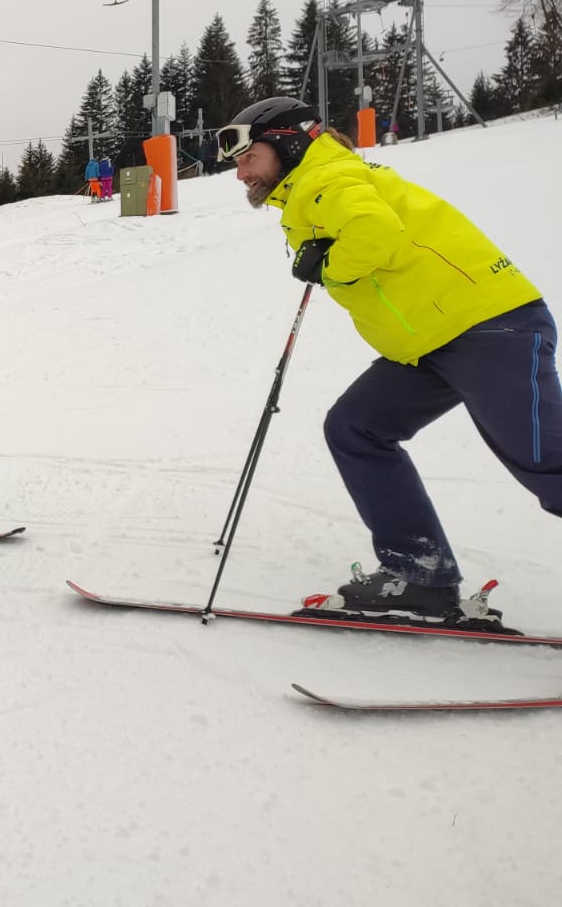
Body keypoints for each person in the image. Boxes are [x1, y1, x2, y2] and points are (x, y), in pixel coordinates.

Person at [222, 96, 562, 620]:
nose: (240, 172)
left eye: (247, 156)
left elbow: (377, 235)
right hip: (431, 342)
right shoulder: (316, 185)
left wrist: (328, 264)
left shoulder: (325, 180)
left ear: (287, 144)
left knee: (547, 462)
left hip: (489, 326)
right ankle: (420, 574)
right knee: (357, 427)